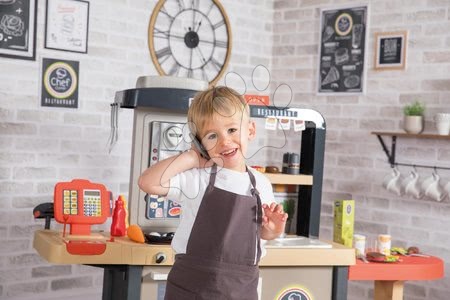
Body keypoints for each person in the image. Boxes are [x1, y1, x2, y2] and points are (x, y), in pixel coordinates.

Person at [138, 86, 287, 300]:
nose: (224, 141)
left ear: (251, 131)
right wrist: (190, 157)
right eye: (212, 136)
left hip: (240, 290)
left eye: (232, 130)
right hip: (191, 288)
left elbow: (261, 234)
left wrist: (272, 230)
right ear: (200, 143)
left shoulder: (262, 185)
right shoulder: (198, 178)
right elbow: (147, 182)